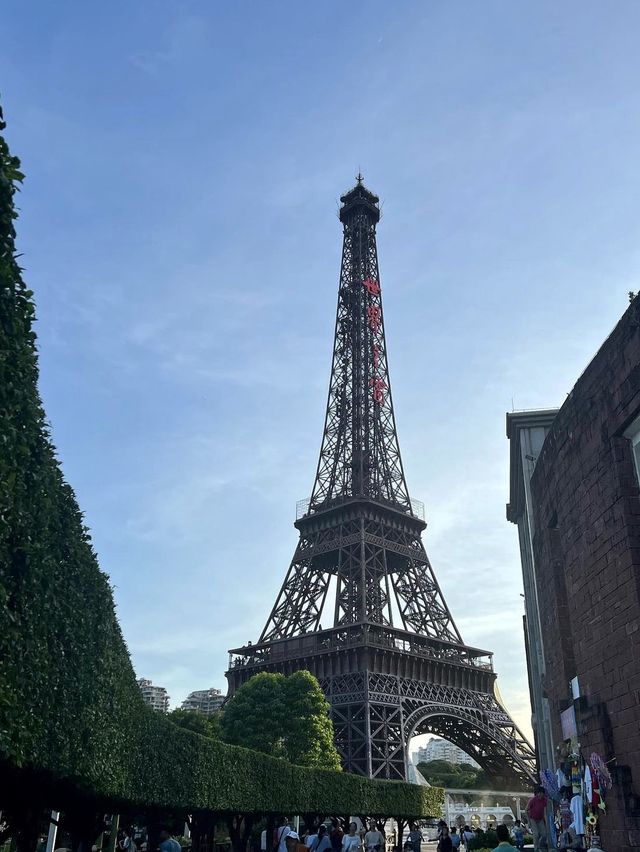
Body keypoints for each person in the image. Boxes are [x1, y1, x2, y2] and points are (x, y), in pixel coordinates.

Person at [526, 786, 548, 852]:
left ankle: (540, 845)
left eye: (542, 793)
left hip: (540, 819)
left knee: (544, 834)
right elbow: (526, 810)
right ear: (537, 793)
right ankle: (536, 849)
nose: (541, 795)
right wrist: (528, 821)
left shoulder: (544, 800)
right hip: (533, 819)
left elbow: (545, 813)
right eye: (539, 793)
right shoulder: (533, 800)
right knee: (536, 835)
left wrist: (546, 823)